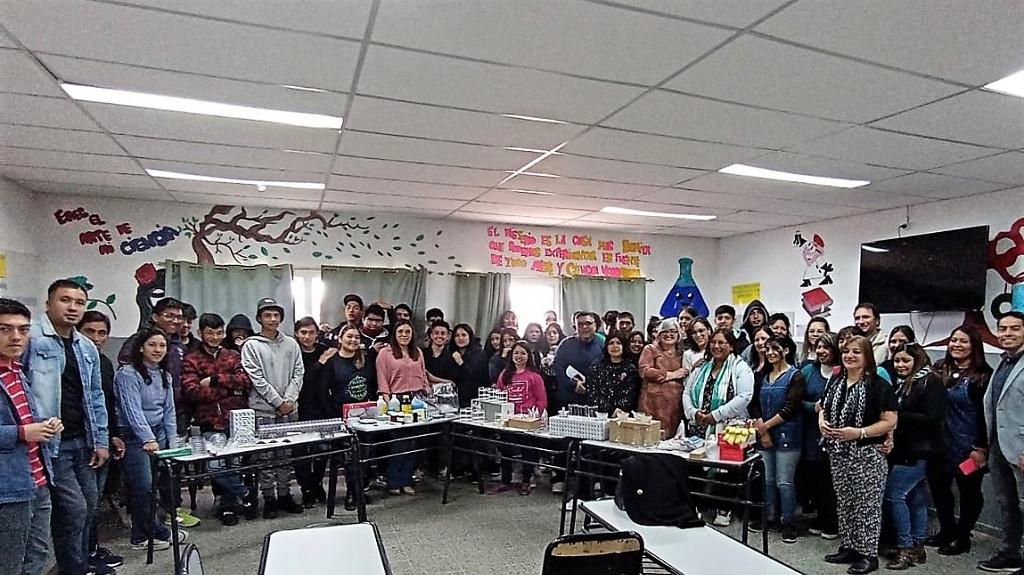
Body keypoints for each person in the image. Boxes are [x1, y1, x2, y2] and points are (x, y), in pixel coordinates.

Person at [26, 279, 110, 575]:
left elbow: (96, 395)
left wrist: (101, 440)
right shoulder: (31, 339)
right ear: (48, 303)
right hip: (50, 443)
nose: (73, 307)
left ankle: (76, 564)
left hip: (83, 439)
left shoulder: (85, 346)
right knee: (74, 508)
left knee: (89, 505)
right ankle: (72, 568)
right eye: (65, 300)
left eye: (79, 302)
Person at [819, 335, 898, 575]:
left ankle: (868, 554)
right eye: (846, 351)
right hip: (839, 453)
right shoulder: (836, 380)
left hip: (868, 454)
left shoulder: (879, 385)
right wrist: (822, 421)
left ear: (867, 356)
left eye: (856, 352)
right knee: (845, 502)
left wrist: (859, 433)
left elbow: (890, 421)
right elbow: (822, 405)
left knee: (867, 506)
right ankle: (849, 547)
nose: (850, 356)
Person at [0, 298, 59, 575]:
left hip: (37, 479)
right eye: (5, 329)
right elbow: (21, 430)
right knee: (9, 563)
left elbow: (23, 419)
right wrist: (23, 432)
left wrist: (44, 426)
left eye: (23, 330)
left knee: (37, 556)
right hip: (9, 488)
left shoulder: (16, 370)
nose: (16, 337)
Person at [115, 329, 186, 550]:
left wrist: (172, 440)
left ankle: (140, 536)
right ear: (141, 347)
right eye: (152, 345)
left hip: (159, 433)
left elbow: (169, 411)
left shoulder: (164, 375)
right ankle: (157, 531)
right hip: (135, 437)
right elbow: (132, 411)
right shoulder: (127, 374)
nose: (157, 350)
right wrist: (147, 438)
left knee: (153, 486)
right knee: (143, 487)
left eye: (162, 346)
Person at [925, 324, 991, 556]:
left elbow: (986, 415)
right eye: (954, 340)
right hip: (939, 443)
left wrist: (981, 447)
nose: (957, 345)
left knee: (969, 493)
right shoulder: (939, 368)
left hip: (968, 446)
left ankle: (963, 536)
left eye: (963, 341)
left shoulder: (983, 376)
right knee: (940, 489)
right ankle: (946, 530)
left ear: (974, 345)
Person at [180, 313, 252, 525]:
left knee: (235, 464)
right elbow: (192, 391)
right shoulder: (191, 359)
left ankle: (228, 506)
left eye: (219, 333)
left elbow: (244, 381)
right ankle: (244, 492)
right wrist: (228, 390)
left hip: (236, 419)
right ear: (200, 333)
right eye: (210, 333)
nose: (214, 337)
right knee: (215, 465)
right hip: (209, 420)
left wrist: (214, 380)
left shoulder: (232, 355)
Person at [681, 327, 754, 527]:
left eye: (722, 342)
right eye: (713, 342)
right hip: (699, 427)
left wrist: (716, 415)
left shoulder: (740, 367)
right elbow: (687, 392)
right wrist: (694, 412)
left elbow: (744, 396)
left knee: (727, 470)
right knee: (695, 467)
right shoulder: (702, 367)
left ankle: (724, 509)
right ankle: (696, 506)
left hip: (729, 429)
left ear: (731, 346)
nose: (716, 346)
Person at [241, 298, 305, 518]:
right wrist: (278, 402)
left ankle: (285, 494)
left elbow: (298, 373)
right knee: (265, 458)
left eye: (276, 315)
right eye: (267, 315)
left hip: (289, 410)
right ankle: (269, 498)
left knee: (286, 456)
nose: (272, 319)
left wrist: (289, 401)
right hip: (263, 411)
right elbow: (256, 379)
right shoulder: (251, 345)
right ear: (259, 318)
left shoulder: (291, 344)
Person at [883, 342, 943, 570]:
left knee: (894, 495)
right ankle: (918, 545)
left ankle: (905, 547)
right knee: (915, 497)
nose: (900, 365)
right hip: (905, 449)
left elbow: (933, 418)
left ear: (918, 361)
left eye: (906, 361)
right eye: (897, 360)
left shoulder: (930, 382)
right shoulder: (904, 384)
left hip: (920, 451)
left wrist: (898, 416)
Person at [376, 320, 451, 495]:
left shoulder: (417, 352)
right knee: (400, 442)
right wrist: (387, 402)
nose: (404, 335)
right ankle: (394, 481)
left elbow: (423, 375)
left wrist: (428, 392)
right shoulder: (385, 353)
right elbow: (382, 379)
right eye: (400, 331)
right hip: (397, 400)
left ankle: (406, 480)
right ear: (395, 333)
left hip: (417, 400)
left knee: (414, 442)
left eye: (407, 332)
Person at [76, 311, 124, 573]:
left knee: (94, 501)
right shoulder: (69, 359)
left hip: (103, 438)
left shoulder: (104, 362)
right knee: (82, 504)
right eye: (90, 331)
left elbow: (106, 402)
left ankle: (92, 549)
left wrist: (113, 434)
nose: (96, 338)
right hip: (79, 441)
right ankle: (81, 557)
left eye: (102, 333)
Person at [978, 311, 1024, 575]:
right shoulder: (1003, 362)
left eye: (1014, 328)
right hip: (998, 445)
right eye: (1002, 328)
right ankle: (1010, 553)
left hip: (1021, 449)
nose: (1007, 334)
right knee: (1007, 503)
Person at [749, 335, 805, 543]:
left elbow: (790, 408)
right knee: (768, 480)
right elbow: (754, 404)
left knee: (784, 481)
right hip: (764, 436)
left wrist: (766, 426)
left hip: (787, 436)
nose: (770, 353)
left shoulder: (795, 376)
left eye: (775, 348)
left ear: (786, 350)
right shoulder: (762, 375)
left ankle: (788, 522)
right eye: (768, 349)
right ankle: (770, 517)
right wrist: (762, 431)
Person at [322, 325, 374, 510]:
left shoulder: (365, 360)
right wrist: (334, 415)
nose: (353, 340)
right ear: (340, 338)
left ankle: (359, 489)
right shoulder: (332, 362)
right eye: (349, 336)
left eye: (356, 337)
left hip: (365, 417)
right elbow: (323, 391)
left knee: (364, 456)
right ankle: (352, 494)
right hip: (341, 417)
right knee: (349, 458)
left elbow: (372, 385)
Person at [550, 312, 603, 493]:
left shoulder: (603, 344)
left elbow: (607, 368)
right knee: (563, 441)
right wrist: (574, 385)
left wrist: (591, 387)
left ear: (596, 325)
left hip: (593, 400)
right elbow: (558, 368)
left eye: (588, 323)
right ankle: (559, 477)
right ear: (575, 327)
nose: (584, 327)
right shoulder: (566, 344)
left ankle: (592, 479)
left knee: (591, 444)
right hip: (568, 399)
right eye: (580, 324)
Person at [493, 340, 547, 495]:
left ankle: (526, 481)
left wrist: (536, 417)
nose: (519, 356)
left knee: (528, 452)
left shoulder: (534, 376)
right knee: (506, 450)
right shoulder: (505, 375)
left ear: (528, 356)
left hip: (527, 421)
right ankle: (505, 480)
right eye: (516, 353)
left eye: (523, 353)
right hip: (509, 420)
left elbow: (541, 399)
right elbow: (499, 395)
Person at [800, 332, 840, 540]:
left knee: (830, 480)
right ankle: (820, 516)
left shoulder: (842, 372)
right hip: (810, 432)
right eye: (819, 347)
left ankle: (832, 520)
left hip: (836, 433)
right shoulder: (808, 371)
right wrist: (813, 407)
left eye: (827, 347)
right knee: (814, 477)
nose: (822, 351)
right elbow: (796, 400)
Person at [293, 317, 335, 508]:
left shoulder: (324, 349)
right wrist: (320, 363)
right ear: (296, 333)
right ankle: (306, 488)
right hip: (299, 407)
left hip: (322, 406)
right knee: (301, 452)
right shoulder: (293, 352)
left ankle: (316, 483)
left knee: (323, 449)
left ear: (317, 333)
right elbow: (303, 380)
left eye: (311, 332)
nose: (307, 337)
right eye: (303, 332)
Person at [638, 318, 688, 436]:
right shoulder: (650, 349)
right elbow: (644, 371)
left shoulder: (683, 354)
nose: (669, 334)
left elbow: (687, 372)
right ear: (659, 335)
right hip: (652, 405)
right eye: (665, 331)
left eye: (673, 331)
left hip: (675, 406)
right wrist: (672, 375)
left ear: (678, 334)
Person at [589, 332, 640, 414]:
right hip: (600, 414)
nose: (615, 346)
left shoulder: (630, 369)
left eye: (618, 343)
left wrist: (618, 410)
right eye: (611, 343)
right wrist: (611, 410)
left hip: (623, 414)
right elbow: (593, 393)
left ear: (624, 346)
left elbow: (631, 394)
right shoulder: (596, 367)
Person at [450, 323, 488, 408]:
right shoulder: (451, 352)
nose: (460, 338)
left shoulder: (478, 353)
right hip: (454, 400)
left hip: (474, 400)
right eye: (457, 335)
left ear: (470, 337)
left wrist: (460, 362)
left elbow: (473, 376)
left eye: (464, 335)